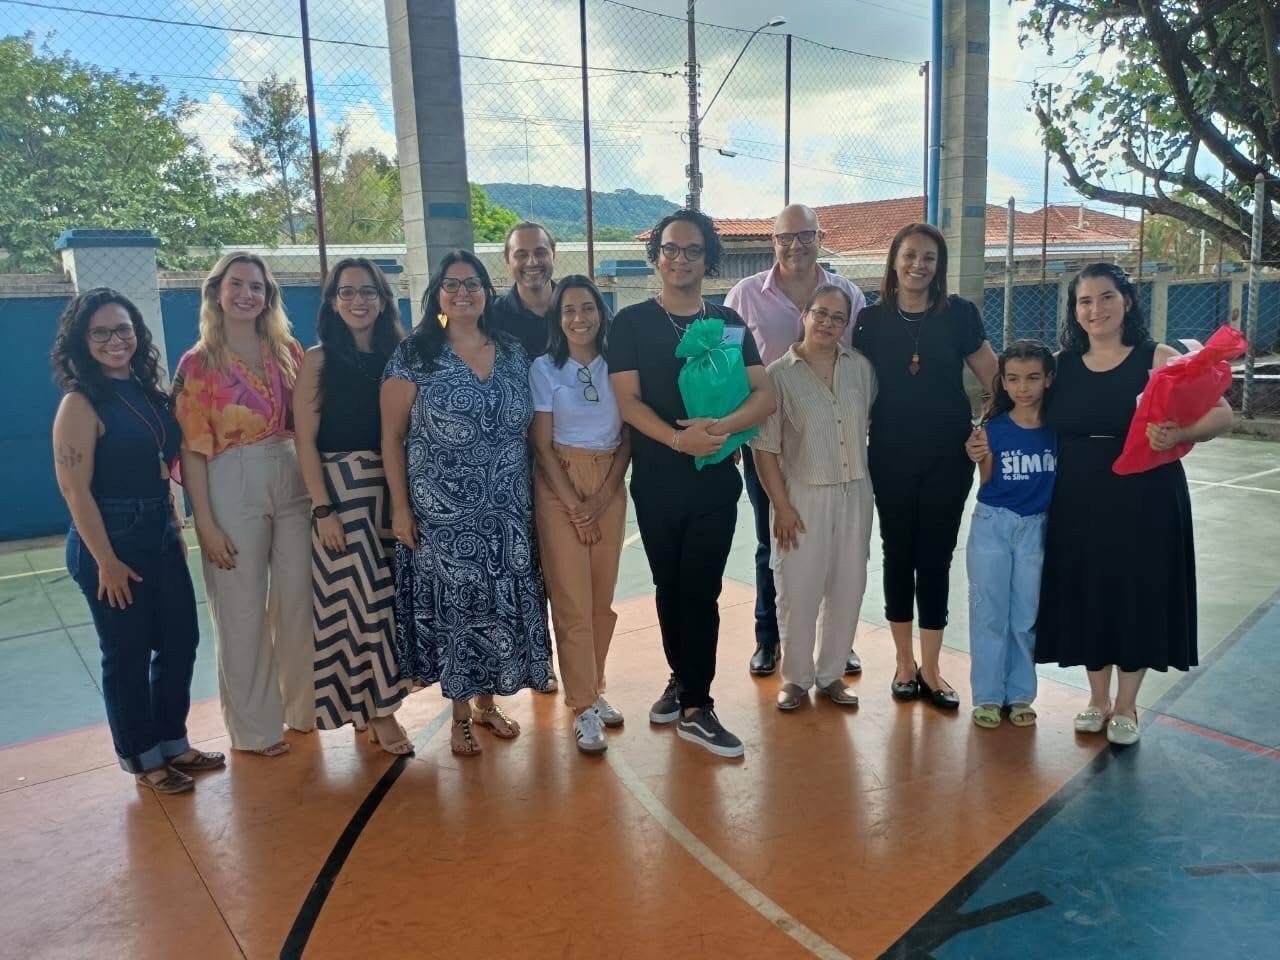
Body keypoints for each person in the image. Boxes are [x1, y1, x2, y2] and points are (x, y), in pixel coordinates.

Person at [1035, 263, 1233, 745]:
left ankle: (1126, 705)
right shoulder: (1060, 366)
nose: (1096, 309)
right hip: (1077, 500)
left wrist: (1181, 433)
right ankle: (1097, 699)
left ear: (1126, 301)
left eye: (1106, 297)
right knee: (1089, 592)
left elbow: (1223, 413)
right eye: (1085, 301)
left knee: (1135, 594)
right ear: (1074, 310)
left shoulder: (1158, 358)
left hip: (1146, 497)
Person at [608, 209, 776, 758]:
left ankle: (697, 706)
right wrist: (680, 440)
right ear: (657, 257)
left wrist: (719, 430)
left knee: (701, 590)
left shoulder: (729, 322)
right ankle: (682, 680)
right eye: (671, 249)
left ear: (708, 259)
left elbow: (764, 394)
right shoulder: (631, 323)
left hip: (714, 483)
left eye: (693, 250)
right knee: (669, 587)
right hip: (657, 483)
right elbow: (628, 402)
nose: (681, 259)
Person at [51, 288, 224, 794]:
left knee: (179, 641)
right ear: (83, 341)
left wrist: (173, 522)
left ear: (137, 333)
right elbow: (74, 488)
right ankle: (143, 758)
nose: (115, 340)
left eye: (123, 329)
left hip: (159, 534)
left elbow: (161, 466)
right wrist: (105, 560)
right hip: (110, 539)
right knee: (126, 654)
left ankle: (173, 741)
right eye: (101, 332)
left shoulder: (148, 394)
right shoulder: (80, 403)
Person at [382, 250, 553, 757]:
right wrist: (400, 508)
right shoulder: (414, 355)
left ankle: (485, 704)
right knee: (459, 608)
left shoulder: (513, 351)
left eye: (473, 283)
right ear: (437, 294)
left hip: (506, 508)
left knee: (495, 605)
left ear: (486, 291)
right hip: (442, 512)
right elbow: (391, 437)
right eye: (452, 284)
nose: (463, 293)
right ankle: (458, 717)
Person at [850, 223, 998, 710]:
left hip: (947, 458)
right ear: (894, 260)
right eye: (910, 255)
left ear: (940, 266)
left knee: (935, 558)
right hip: (889, 455)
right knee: (898, 554)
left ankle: (932, 668)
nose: (918, 265)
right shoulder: (870, 320)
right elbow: (849, 385)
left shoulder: (960, 315)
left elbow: (996, 380)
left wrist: (986, 430)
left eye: (929, 257)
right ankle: (903, 663)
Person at [174, 252, 311, 757]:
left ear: (268, 296)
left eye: (257, 286)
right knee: (241, 607)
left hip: (291, 473)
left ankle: (303, 708)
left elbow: (307, 423)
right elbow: (191, 449)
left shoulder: (288, 350)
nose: (246, 294)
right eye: (237, 284)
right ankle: (256, 730)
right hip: (231, 478)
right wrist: (205, 524)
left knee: (298, 600)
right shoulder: (197, 363)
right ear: (216, 291)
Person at [725, 204, 868, 679]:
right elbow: (727, 366)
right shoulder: (744, 295)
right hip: (768, 441)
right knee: (773, 539)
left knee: (835, 546)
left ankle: (836, 644)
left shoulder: (848, 294)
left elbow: (857, 363)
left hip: (828, 444)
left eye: (805, 235)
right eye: (786, 237)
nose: (796, 245)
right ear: (773, 242)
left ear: (819, 237)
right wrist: (729, 427)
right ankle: (769, 638)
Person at [294, 258, 412, 754]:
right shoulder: (319, 360)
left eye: (368, 292)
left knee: (390, 605)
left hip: (394, 488)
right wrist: (324, 509)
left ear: (383, 300)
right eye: (347, 292)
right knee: (360, 609)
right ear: (333, 302)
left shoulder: (399, 356)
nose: (358, 301)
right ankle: (380, 712)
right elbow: (304, 440)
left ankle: (373, 703)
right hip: (344, 492)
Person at [749, 285, 876, 712]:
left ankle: (832, 675)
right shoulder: (777, 375)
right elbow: (764, 449)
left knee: (848, 587)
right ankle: (796, 679)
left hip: (855, 492)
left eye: (838, 318)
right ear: (804, 314)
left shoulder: (861, 369)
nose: (827, 323)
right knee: (797, 591)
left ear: (846, 325)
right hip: (802, 495)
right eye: (820, 313)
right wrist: (782, 507)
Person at [530, 276, 631, 754]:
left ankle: (595, 685)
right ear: (558, 318)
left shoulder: (618, 365)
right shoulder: (544, 369)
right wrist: (574, 505)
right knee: (571, 600)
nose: (579, 318)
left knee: (600, 601)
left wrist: (603, 497)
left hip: (608, 483)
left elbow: (628, 435)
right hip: (560, 485)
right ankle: (582, 706)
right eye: (568, 310)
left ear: (600, 312)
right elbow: (541, 444)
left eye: (587, 307)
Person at [963, 340, 1057, 729]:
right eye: (1014, 379)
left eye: (1033, 378)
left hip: (1036, 528)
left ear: (1048, 379)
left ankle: (1019, 694)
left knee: (1026, 616)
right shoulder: (992, 430)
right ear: (1002, 381)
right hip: (993, 525)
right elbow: (986, 483)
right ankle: (987, 695)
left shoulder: (1057, 430)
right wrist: (977, 454)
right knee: (989, 613)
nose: (1023, 387)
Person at [490, 221, 558, 362]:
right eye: (521, 255)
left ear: (553, 254)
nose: (532, 262)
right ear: (507, 261)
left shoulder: (578, 310)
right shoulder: (493, 319)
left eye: (540, 252)